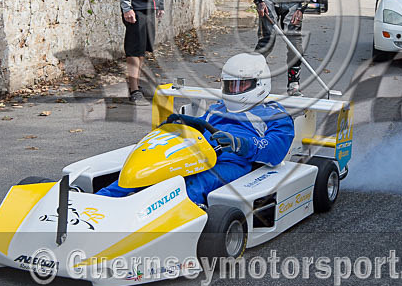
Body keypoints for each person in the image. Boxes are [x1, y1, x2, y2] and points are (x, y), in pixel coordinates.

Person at [96, 53, 295, 206]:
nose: (234, 91)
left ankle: (152, 223)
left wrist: (239, 144)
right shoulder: (218, 107)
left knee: (195, 184)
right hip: (198, 153)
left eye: (241, 86)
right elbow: (201, 125)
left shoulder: (274, 114)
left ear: (259, 84)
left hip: (234, 161)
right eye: (230, 86)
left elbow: (276, 149)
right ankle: (97, 205)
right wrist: (183, 121)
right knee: (145, 172)